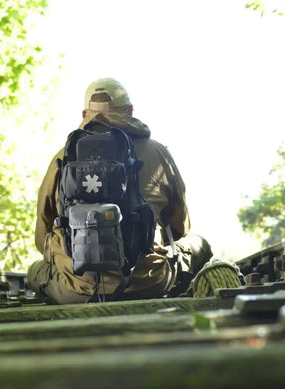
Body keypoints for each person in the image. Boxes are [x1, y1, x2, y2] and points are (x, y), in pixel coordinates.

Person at [27, 78, 213, 304]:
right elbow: (180, 227)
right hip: (147, 284)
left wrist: (62, 255)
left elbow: (42, 233)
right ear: (130, 111)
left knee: (35, 270)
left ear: (85, 114)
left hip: (76, 289)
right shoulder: (157, 152)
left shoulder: (63, 157)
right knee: (199, 244)